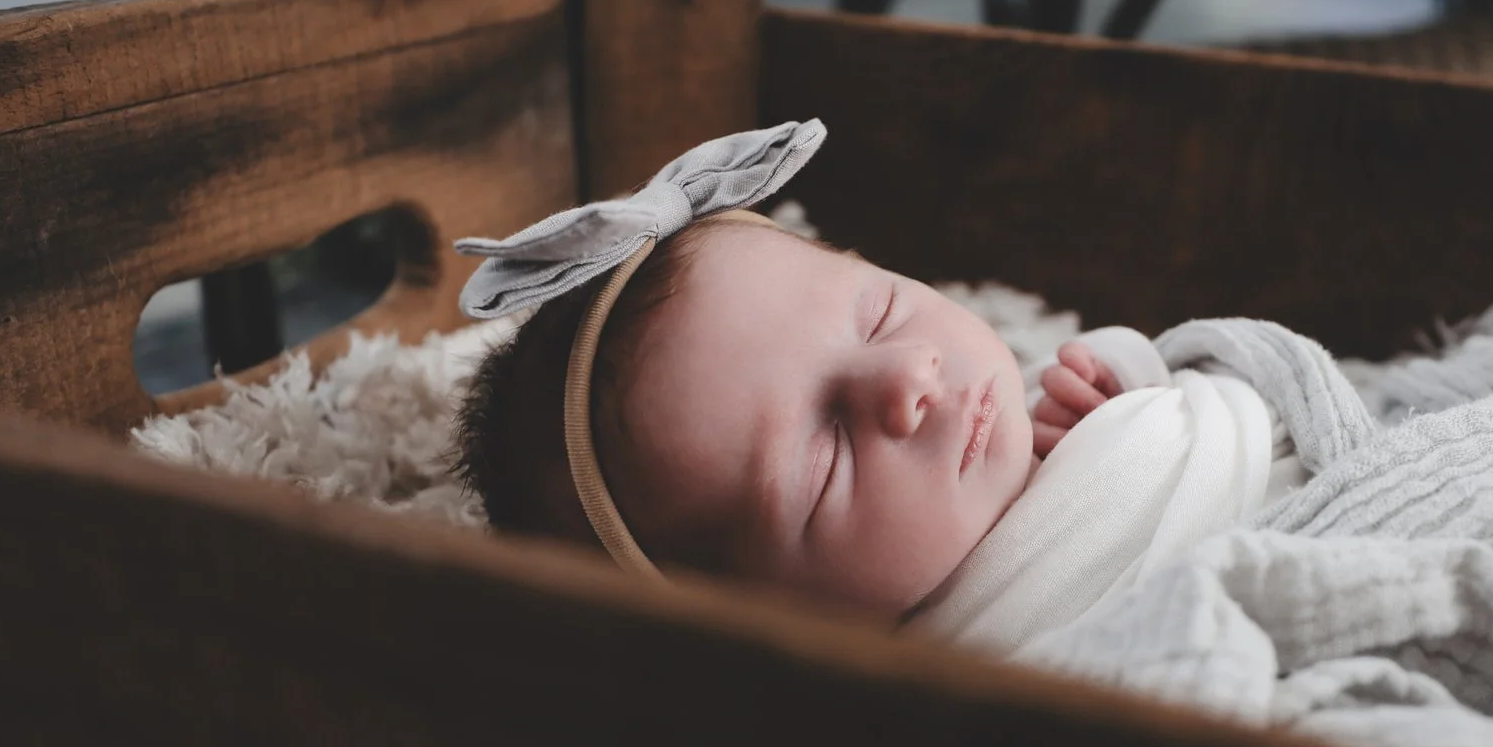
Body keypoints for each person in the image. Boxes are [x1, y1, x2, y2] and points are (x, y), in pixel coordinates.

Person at [451, 121, 1290, 630]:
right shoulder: (930, 687)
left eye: (882, 311)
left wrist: (1120, 386)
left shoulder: (1036, 407)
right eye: (823, 459)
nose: (908, 378)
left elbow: (1196, 420)